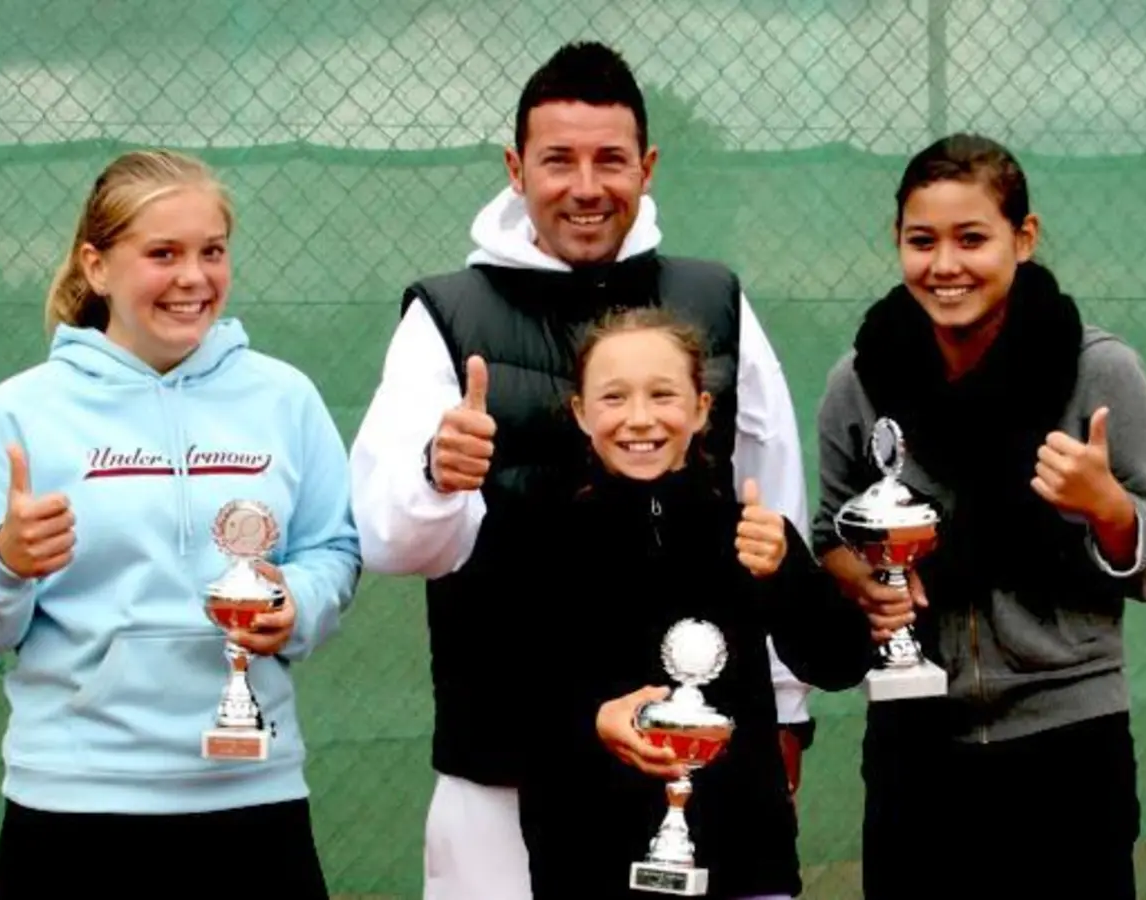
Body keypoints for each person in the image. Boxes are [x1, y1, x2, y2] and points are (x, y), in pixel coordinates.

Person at [347, 41, 816, 899]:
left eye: (611, 159)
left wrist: (785, 709)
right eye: (558, 160)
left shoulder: (714, 300)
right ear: (516, 167)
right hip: (505, 764)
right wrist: (436, 476)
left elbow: (771, 507)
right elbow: (386, 537)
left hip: (695, 768)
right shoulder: (445, 317)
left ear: (649, 166)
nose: (587, 187)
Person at [0, 150, 361, 898]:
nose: (194, 278)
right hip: (72, 804)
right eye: (163, 253)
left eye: (212, 251)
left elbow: (333, 551)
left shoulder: (284, 399)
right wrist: (5, 561)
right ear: (97, 267)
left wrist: (295, 603)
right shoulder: (21, 412)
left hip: (252, 798)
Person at [810, 134, 1146, 900]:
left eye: (972, 238)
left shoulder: (1100, 370)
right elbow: (829, 540)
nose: (945, 266)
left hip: (1069, 741)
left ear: (1025, 236)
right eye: (923, 241)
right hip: (915, 745)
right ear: (898, 243)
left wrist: (1108, 508)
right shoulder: (859, 379)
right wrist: (867, 582)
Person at [488, 308, 872, 900]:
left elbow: (841, 662)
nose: (639, 419)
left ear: (700, 408)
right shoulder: (531, 538)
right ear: (581, 413)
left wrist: (786, 575)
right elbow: (499, 706)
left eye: (662, 395)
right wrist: (592, 722)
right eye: (613, 398)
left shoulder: (752, 533)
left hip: (745, 861)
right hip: (587, 862)